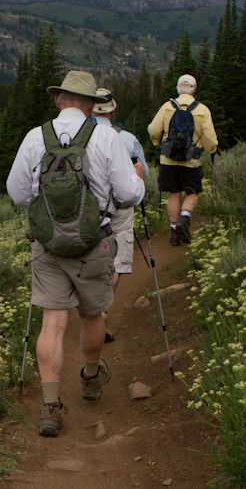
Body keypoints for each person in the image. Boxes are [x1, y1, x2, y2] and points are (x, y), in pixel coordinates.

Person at [7, 70, 146, 438]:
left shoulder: (36, 137)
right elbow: (128, 194)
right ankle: (89, 376)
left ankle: (51, 405)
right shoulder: (106, 136)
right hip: (93, 244)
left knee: (52, 323)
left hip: (48, 245)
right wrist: (141, 186)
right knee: (92, 314)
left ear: (58, 100)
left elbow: (18, 194)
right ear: (91, 105)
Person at [91, 88, 149, 343]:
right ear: (112, 111)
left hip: (91, 211)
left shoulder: (80, 137)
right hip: (121, 210)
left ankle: (91, 311)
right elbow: (142, 172)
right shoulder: (127, 138)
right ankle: (100, 315)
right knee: (116, 263)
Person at [147, 74, 218, 246]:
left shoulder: (167, 107)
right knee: (193, 193)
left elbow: (153, 130)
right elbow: (210, 139)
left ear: (178, 89)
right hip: (191, 161)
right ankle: (184, 218)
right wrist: (211, 150)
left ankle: (174, 231)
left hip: (168, 160)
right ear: (194, 89)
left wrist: (158, 142)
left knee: (174, 194)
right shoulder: (202, 110)